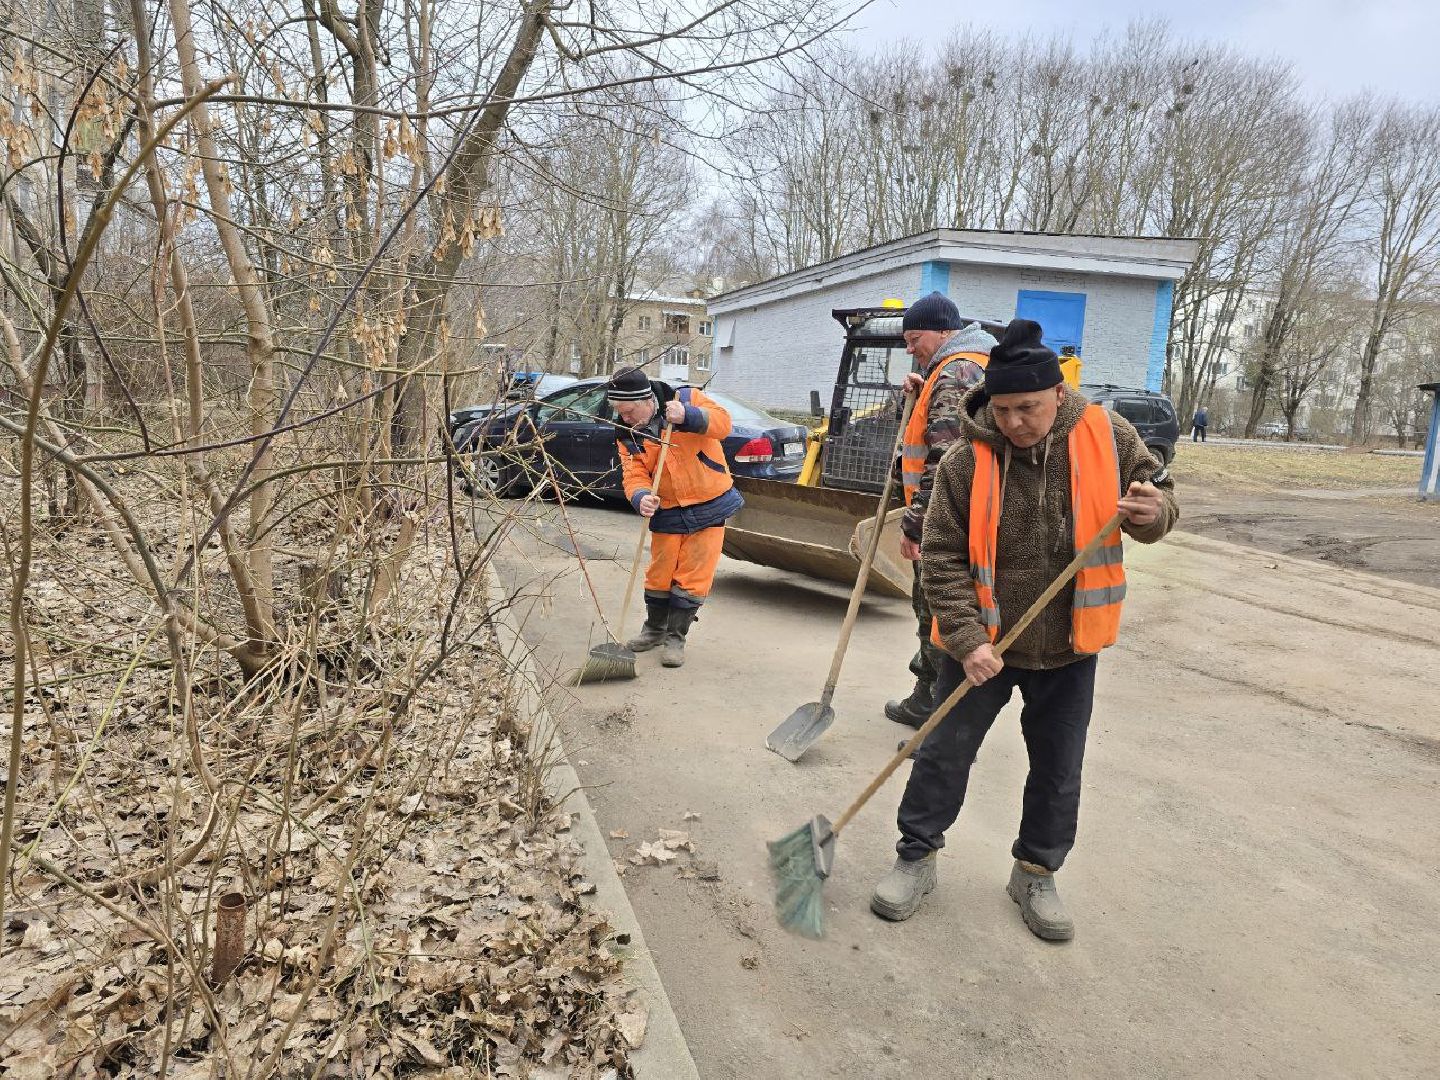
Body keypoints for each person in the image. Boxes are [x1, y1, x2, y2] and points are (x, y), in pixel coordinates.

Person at [870, 319, 1178, 940]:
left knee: (1058, 768)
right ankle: (916, 857)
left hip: (1069, 645)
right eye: (1003, 409)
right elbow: (942, 556)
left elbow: (1160, 500)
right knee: (943, 755)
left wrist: (1153, 514)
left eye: (1028, 408)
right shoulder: (966, 457)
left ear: (1058, 394)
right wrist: (967, 641)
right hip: (982, 645)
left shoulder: (1109, 436)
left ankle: (1036, 871)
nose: (1014, 422)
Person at [886, 291, 994, 729]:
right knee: (935, 608)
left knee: (936, 609)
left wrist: (916, 523)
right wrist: (921, 390)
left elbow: (945, 461)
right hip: (965, 516)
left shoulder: (956, 372)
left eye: (915, 339)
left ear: (946, 332)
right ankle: (928, 697)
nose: (910, 349)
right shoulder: (962, 368)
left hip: (946, 521)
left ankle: (936, 711)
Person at [608, 367, 742, 668]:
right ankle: (654, 630)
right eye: (620, 412)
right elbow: (634, 473)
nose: (625, 418)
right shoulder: (627, 434)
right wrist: (641, 497)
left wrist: (689, 416)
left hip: (710, 502)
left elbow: (723, 425)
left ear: (647, 400)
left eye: (628, 412)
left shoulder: (686, 398)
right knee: (660, 572)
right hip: (667, 507)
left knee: (693, 575)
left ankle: (676, 637)